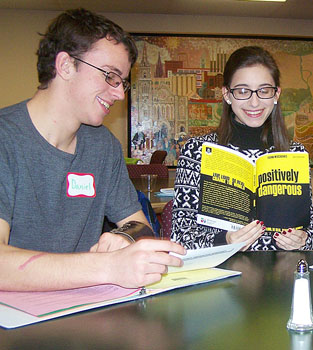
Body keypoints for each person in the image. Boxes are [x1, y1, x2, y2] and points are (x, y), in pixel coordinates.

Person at [0, 8, 185, 292]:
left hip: (83, 309)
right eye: (110, 76)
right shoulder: (6, 139)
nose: (119, 94)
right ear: (65, 66)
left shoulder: (102, 145)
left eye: (122, 82)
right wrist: (110, 267)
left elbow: (140, 225)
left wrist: (126, 237)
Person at [172, 46, 313, 251]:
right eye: (242, 91)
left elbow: (310, 233)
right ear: (227, 95)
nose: (254, 102)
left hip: (280, 274)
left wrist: (301, 241)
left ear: (276, 95)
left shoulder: (295, 153)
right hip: (221, 273)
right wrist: (226, 242)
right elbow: (180, 237)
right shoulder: (197, 151)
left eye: (264, 91)